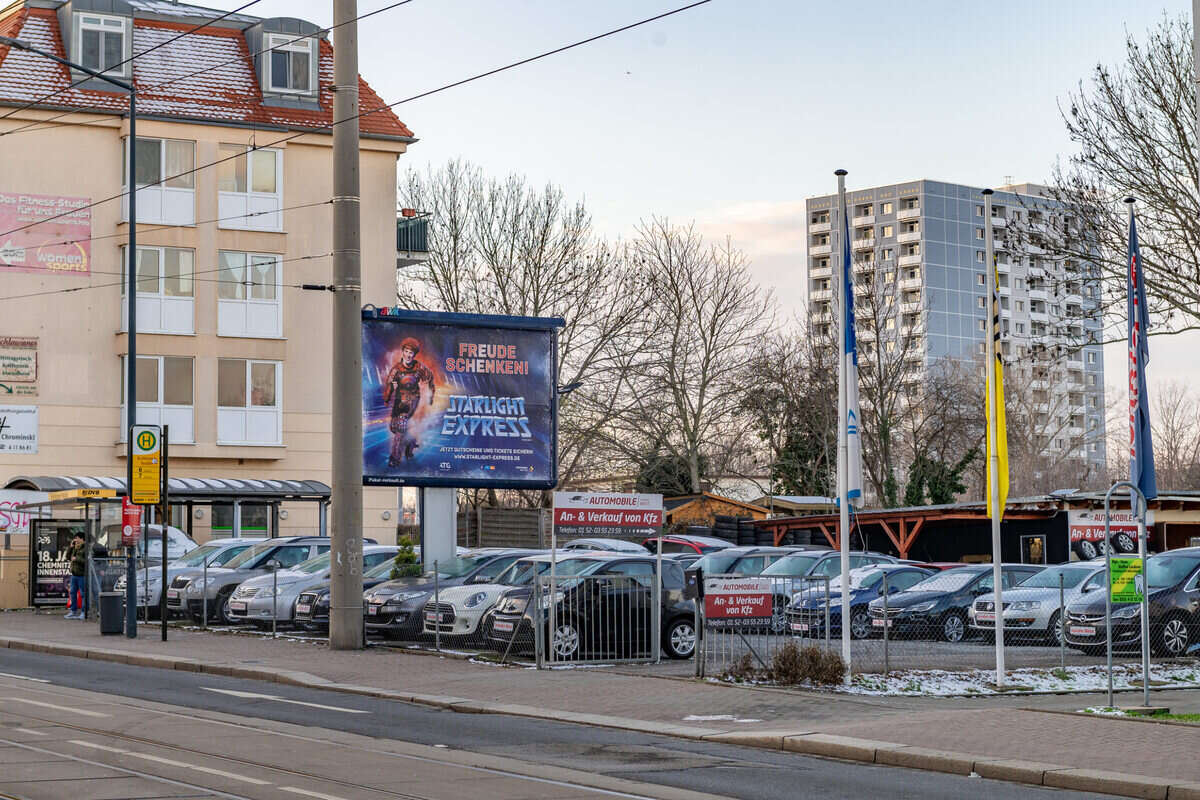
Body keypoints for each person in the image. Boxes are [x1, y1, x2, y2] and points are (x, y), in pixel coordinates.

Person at [382, 337, 435, 466]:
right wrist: (388, 397)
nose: (408, 355)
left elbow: (430, 377)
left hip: (412, 399)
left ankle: (395, 458)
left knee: (400, 426)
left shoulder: (418, 367)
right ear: (403, 352)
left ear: (414, 354)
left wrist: (431, 396)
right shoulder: (396, 369)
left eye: (411, 352)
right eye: (406, 351)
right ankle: (410, 442)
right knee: (394, 428)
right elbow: (389, 386)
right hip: (399, 399)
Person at [64, 532, 88, 620]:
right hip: (74, 575)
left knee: (83, 594)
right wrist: (70, 547)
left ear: (82, 539)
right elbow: (67, 557)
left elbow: (87, 561)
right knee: (72, 592)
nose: (75, 540)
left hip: (82, 575)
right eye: (75, 538)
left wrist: (77, 559)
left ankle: (84, 612)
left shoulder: (86, 548)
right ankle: (73, 611)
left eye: (77, 538)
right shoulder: (75, 548)